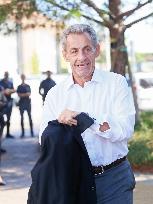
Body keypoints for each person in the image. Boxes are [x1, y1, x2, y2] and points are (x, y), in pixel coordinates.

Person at [39, 24, 136, 203]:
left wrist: (85, 119)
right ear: (65, 54)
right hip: (73, 180)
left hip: (115, 180)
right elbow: (44, 140)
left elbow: (125, 129)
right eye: (74, 51)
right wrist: (60, 129)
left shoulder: (116, 83)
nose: (81, 57)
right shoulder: (55, 94)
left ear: (97, 50)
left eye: (87, 49)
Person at [0, 71, 15, 139]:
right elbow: (2, 91)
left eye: (7, 74)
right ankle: (1, 134)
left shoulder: (10, 82)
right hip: (2, 103)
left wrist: (9, 91)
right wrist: (5, 91)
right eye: (5, 74)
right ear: (4, 75)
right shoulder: (1, 82)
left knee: (9, 118)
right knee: (2, 119)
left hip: (9, 102)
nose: (6, 75)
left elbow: (14, 90)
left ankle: (8, 133)